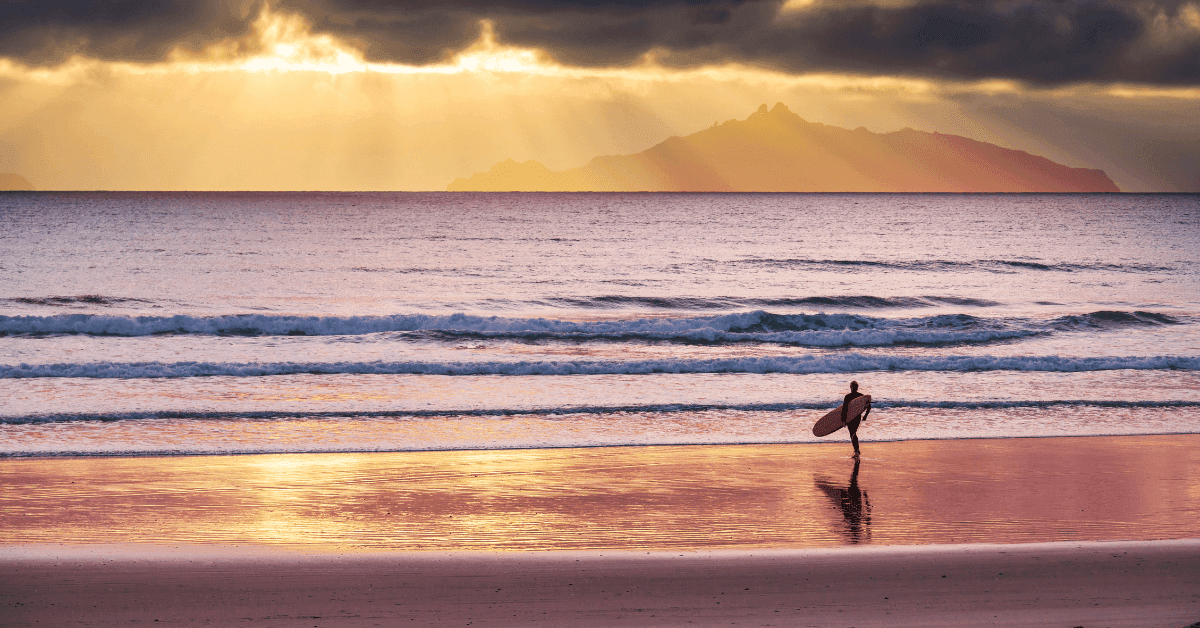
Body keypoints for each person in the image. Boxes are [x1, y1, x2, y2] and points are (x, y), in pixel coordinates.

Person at [841, 380, 870, 457]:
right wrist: (865, 415)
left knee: (853, 433)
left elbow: (868, 405)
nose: (853, 388)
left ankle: (856, 451)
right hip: (851, 418)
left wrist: (865, 416)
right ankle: (856, 450)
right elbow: (844, 409)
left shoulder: (855, 396)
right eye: (852, 386)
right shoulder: (855, 396)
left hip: (854, 418)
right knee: (852, 434)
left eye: (854, 386)